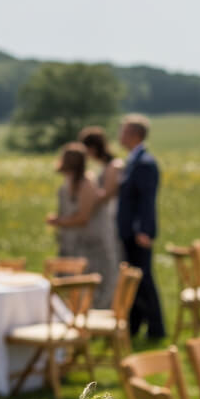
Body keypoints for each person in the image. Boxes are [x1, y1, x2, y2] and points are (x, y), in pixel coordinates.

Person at [116, 114, 164, 341]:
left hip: (138, 233)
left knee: (144, 280)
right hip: (129, 231)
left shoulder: (145, 163)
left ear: (135, 134)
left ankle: (156, 327)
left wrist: (143, 230)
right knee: (134, 281)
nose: (119, 136)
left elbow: (146, 200)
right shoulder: (133, 160)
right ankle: (135, 325)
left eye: (123, 131)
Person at [45, 143, 111, 303]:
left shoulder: (86, 183)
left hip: (87, 247)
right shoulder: (70, 180)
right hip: (70, 245)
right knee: (67, 292)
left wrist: (59, 221)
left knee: (86, 293)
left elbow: (83, 218)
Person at [81, 126, 125, 305]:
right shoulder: (106, 166)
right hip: (104, 219)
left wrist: (84, 197)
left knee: (112, 261)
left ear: (92, 148)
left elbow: (107, 194)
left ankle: (111, 302)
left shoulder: (114, 166)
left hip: (111, 219)